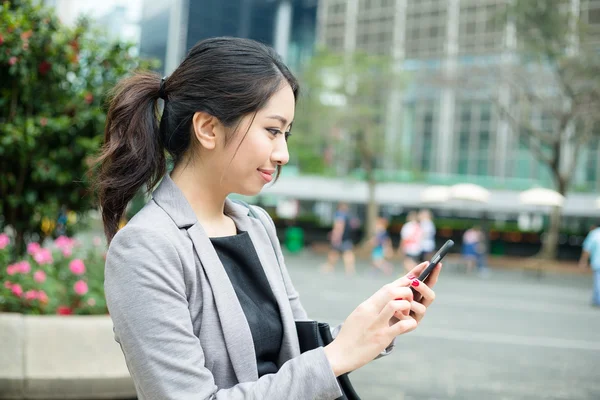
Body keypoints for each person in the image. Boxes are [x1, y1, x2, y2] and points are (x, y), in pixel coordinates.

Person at [94, 37, 441, 400]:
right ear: (208, 128)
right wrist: (335, 356)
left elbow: (297, 358)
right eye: (272, 130)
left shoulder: (256, 224)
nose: (283, 154)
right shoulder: (145, 247)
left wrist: (373, 324)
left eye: (285, 134)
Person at [321, 202, 356, 275]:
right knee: (347, 253)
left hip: (340, 237)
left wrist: (336, 236)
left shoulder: (339, 214)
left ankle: (329, 267)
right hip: (347, 237)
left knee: (334, 252)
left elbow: (339, 225)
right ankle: (350, 269)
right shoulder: (348, 215)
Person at [579, 224, 600, 308]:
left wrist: (583, 261)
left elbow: (587, 248)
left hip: (597, 263)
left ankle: (597, 300)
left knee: (598, 282)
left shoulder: (594, 234)